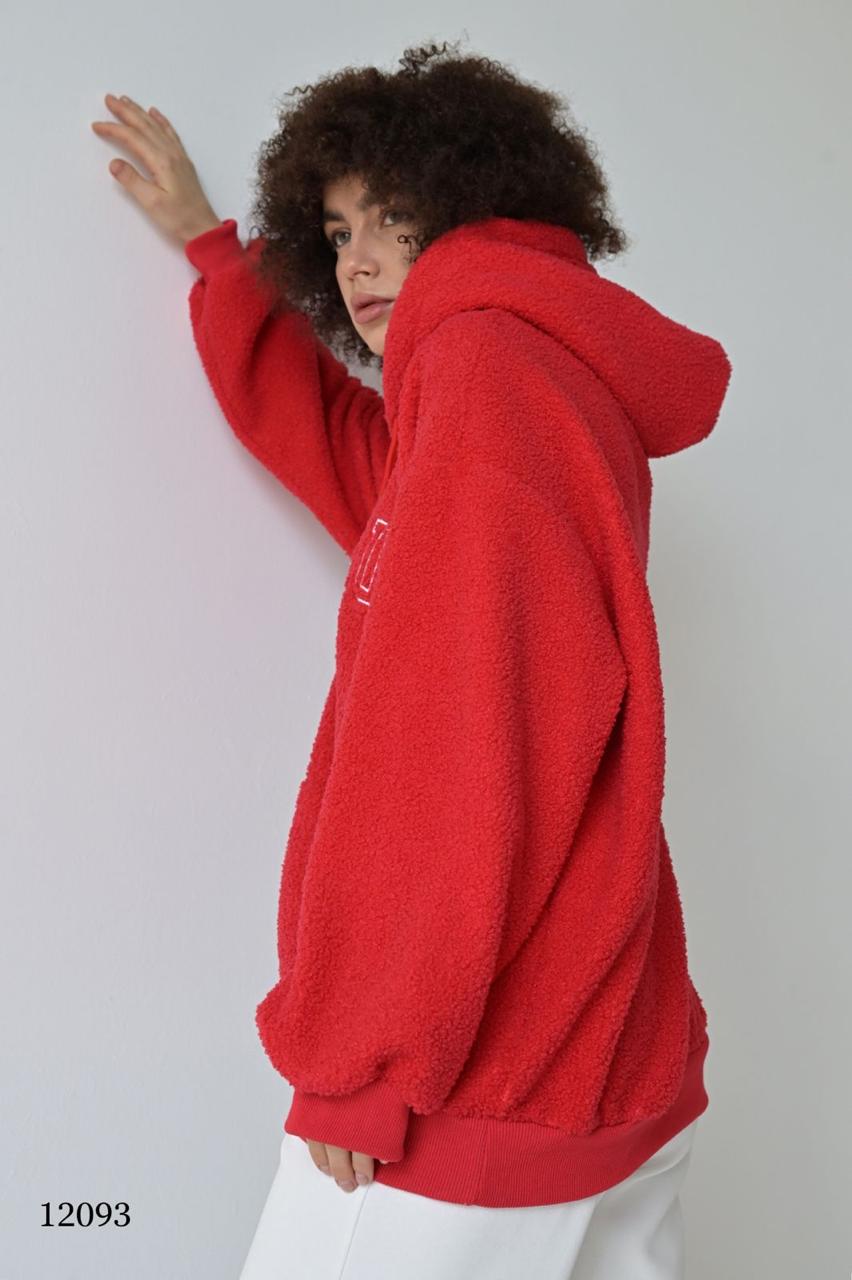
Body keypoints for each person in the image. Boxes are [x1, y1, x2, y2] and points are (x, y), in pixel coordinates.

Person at [90, 38, 732, 1279]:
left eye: (396, 219)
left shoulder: (487, 384)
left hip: (478, 1083)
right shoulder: (525, 377)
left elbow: (453, 748)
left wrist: (362, 1063)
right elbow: (361, 463)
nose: (359, 261)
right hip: (605, 1051)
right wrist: (218, 256)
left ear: (483, 210)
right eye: (338, 232)